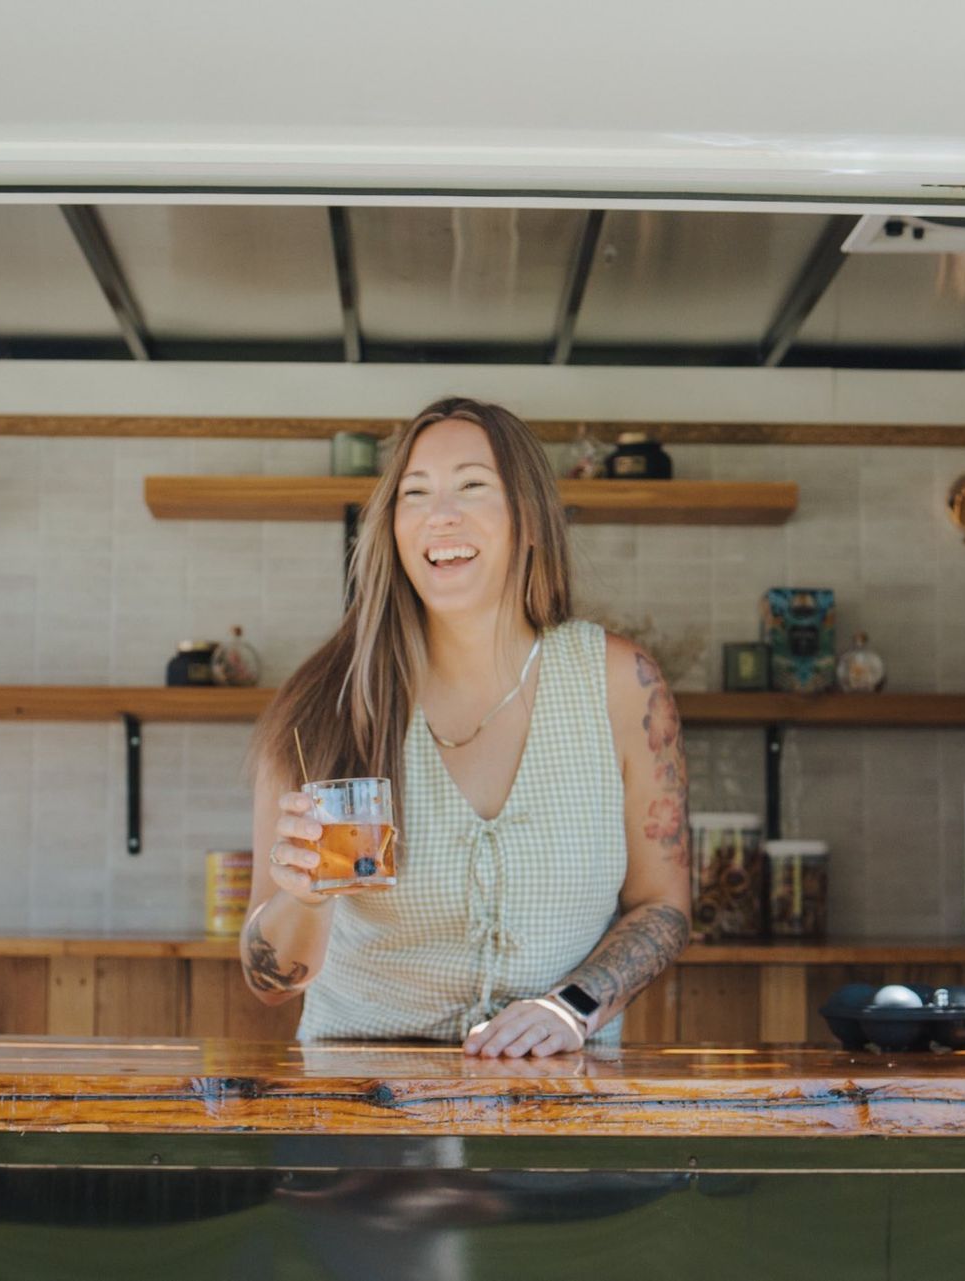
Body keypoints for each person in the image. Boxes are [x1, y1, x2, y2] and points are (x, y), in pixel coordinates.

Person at [241, 397, 691, 1058]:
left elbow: (665, 904)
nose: (439, 514)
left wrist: (572, 1006)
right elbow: (270, 979)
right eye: (414, 493)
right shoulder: (325, 702)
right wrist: (302, 900)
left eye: (473, 486)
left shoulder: (622, 685)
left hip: (556, 1102)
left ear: (530, 518)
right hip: (362, 1106)